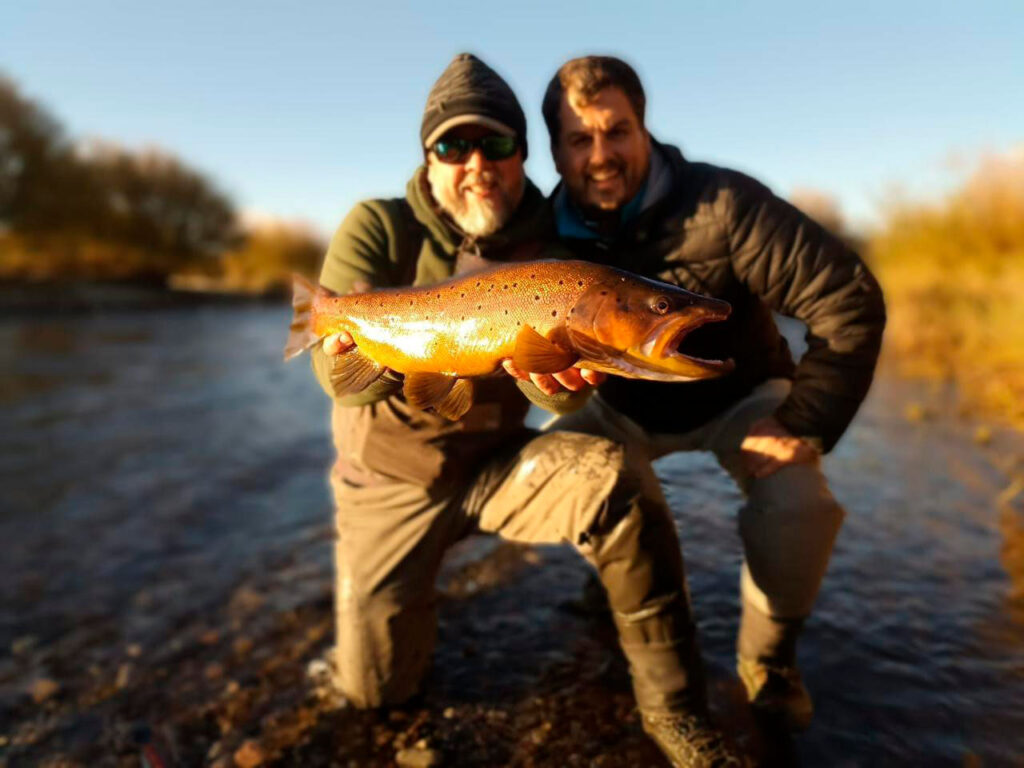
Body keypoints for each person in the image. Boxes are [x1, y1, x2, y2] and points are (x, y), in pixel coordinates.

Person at [310, 53, 745, 767]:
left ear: (521, 157)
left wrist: (559, 379)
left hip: (494, 471)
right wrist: (384, 332)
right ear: (428, 159)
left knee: (616, 475)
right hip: (390, 488)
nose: (476, 163)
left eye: (498, 144)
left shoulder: (553, 254)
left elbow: (563, 398)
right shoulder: (377, 227)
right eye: (454, 145)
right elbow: (344, 383)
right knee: (375, 697)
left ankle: (676, 711)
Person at [515, 55, 886, 735]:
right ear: (557, 150)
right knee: (550, 465)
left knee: (800, 501)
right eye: (579, 139)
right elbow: (525, 368)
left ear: (644, 128)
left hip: (737, 396)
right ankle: (613, 585)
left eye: (616, 131)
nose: (601, 155)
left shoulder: (725, 205)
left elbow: (847, 299)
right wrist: (554, 390)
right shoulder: (536, 237)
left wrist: (802, 421)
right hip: (618, 406)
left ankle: (768, 665)